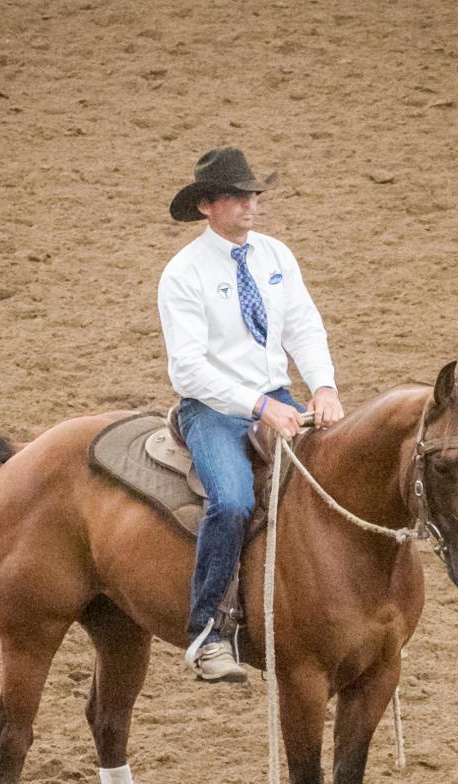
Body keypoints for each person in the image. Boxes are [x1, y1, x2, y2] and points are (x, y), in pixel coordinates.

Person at [158, 147, 343, 682]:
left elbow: (303, 326)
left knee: (334, 479)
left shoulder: (276, 256)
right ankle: (207, 633)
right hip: (213, 410)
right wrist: (260, 406)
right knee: (234, 501)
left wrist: (323, 387)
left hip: (278, 397)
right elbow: (188, 370)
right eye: (237, 196)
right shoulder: (184, 274)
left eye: (254, 194)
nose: (251, 204)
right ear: (206, 207)